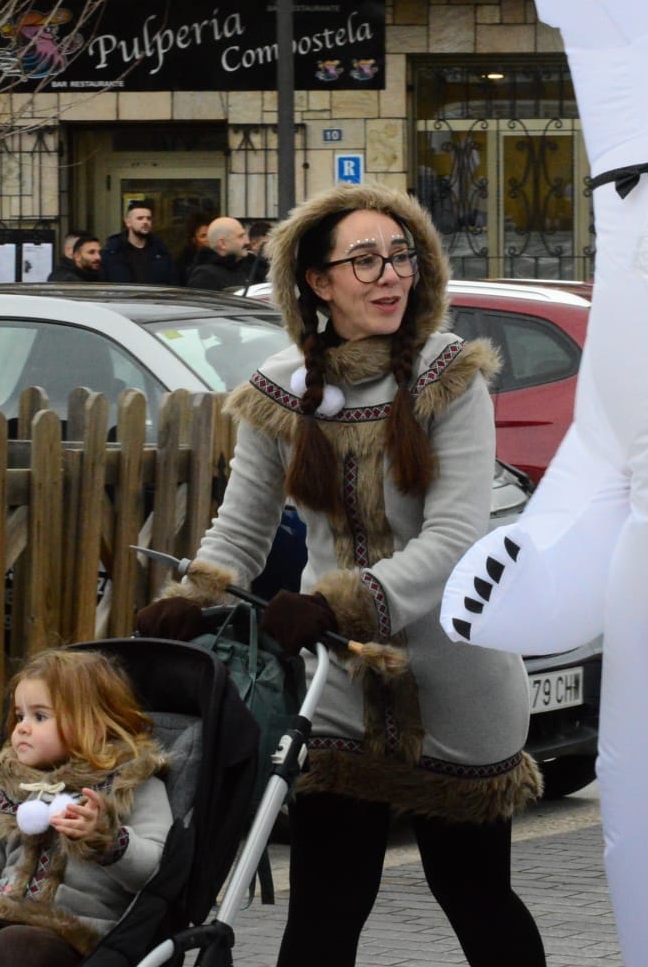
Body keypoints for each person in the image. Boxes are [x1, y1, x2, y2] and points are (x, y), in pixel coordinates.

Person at [135, 182, 544, 967]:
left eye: (401, 257)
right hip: (340, 690)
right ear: (318, 282)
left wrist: (335, 602)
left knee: (475, 896)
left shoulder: (451, 375)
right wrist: (194, 596)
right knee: (324, 907)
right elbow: (243, 525)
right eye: (365, 261)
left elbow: (456, 535)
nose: (390, 276)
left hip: (457, 681)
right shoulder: (279, 390)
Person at [0, 648, 171, 967]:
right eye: (19, 715)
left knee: (16, 947)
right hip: (2, 917)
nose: (21, 727)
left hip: (79, 938)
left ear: (91, 724)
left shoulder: (131, 786)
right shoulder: (13, 792)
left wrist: (108, 840)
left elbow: (159, 873)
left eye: (40, 716)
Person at [101, 202, 179, 286]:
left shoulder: (161, 252)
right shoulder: (113, 252)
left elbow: (173, 283)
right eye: (140, 218)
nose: (145, 222)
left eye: (148, 218)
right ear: (128, 222)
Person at [184, 215, 255, 291]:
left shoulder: (244, 267)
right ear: (222, 243)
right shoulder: (205, 276)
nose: (247, 242)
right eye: (240, 236)